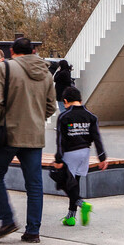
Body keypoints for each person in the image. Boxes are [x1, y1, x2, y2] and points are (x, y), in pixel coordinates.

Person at [0, 35, 59, 243]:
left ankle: (7, 219)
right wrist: (36, 118)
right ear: (33, 52)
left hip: (8, 132)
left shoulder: (5, 68)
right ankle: (33, 231)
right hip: (34, 134)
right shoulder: (46, 73)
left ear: (12, 51)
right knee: (34, 184)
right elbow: (51, 106)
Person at [52, 86, 106, 228]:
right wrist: (102, 157)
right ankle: (71, 217)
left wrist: (58, 159)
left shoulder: (64, 116)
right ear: (80, 100)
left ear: (65, 101)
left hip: (70, 153)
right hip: (84, 152)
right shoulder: (91, 116)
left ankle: (81, 203)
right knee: (74, 183)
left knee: (62, 181)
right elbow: (97, 137)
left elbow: (60, 140)